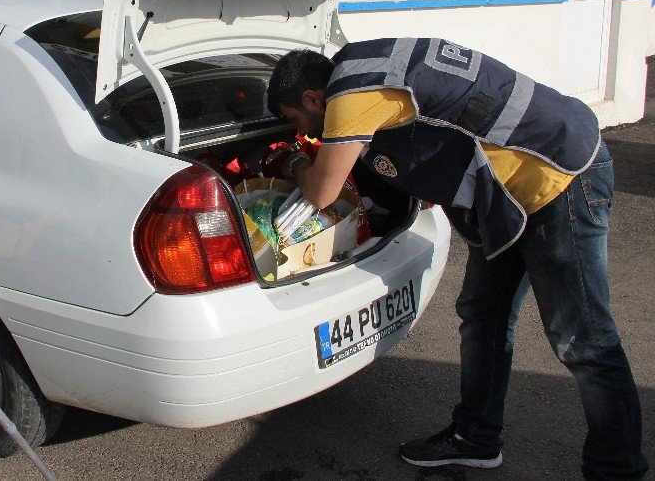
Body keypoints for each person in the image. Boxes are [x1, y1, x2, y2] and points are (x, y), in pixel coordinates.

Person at [264, 41, 647, 479]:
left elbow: (321, 191)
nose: (308, 131)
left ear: (314, 98)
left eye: (298, 120)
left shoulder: (352, 94)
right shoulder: (363, 61)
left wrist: (292, 160)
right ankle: (476, 437)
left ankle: (617, 470)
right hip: (508, 195)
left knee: (584, 341)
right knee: (483, 315)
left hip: (560, 177)